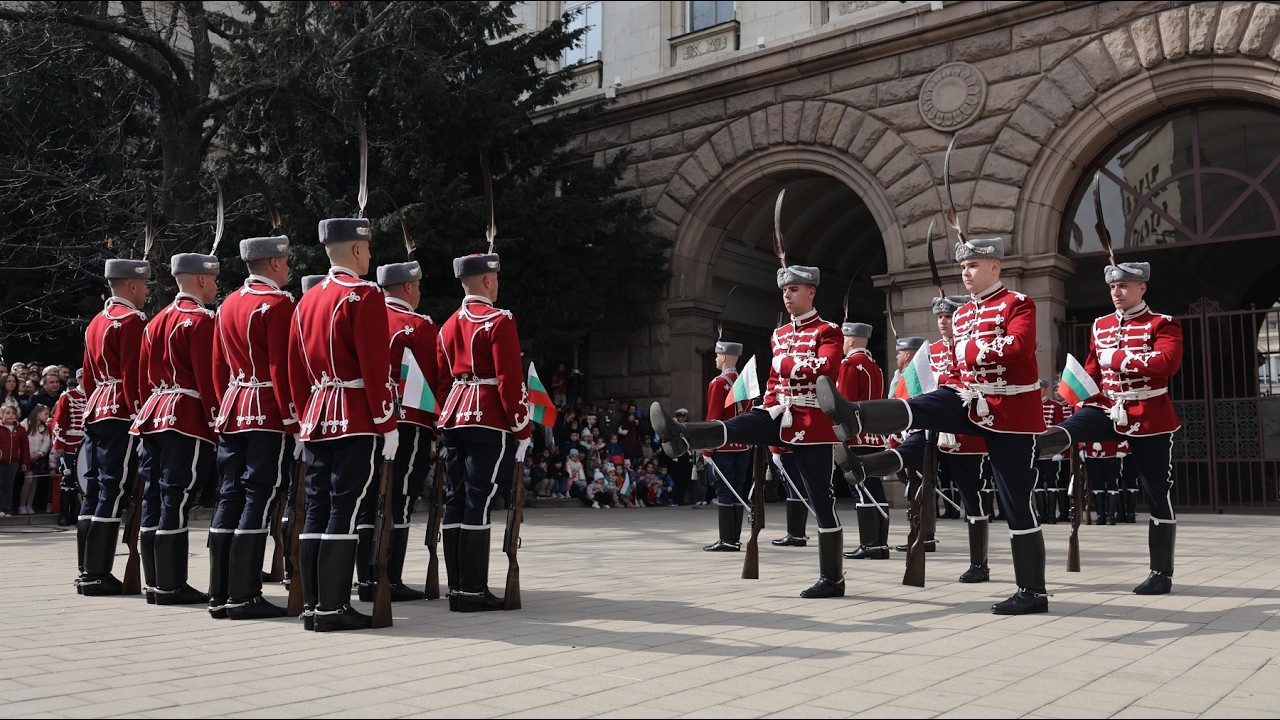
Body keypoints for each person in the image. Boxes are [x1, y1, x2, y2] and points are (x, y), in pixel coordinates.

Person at [819, 238, 1050, 614]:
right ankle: (855, 415)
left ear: (995, 267)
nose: (966, 273)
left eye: (973, 265)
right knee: (927, 405)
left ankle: (1033, 591)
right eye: (963, 267)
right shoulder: (963, 316)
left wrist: (967, 351)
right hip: (971, 399)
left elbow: (1019, 347)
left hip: (1011, 411)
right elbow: (959, 370)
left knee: (1016, 502)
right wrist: (956, 386)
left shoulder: (1017, 303)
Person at [653, 263, 847, 598]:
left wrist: (787, 365)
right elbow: (774, 383)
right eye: (785, 290)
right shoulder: (780, 334)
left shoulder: (827, 331)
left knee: (821, 498)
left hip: (812, 423)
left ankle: (833, 577)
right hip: (778, 411)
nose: (788, 295)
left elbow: (827, 368)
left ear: (811, 292)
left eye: (795, 289)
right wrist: (768, 402)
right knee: (739, 425)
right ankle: (685, 435)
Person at [1034, 260, 1183, 595]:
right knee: (1071, 426)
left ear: (1142, 287)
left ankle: (1161, 573)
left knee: (1157, 491)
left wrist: (1120, 360)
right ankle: (1033, 450)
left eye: (1125, 286)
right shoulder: (1100, 325)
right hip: (1106, 406)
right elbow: (1091, 372)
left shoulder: (1163, 323)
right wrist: (1079, 394)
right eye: (1113, 287)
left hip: (1148, 412)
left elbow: (1167, 363)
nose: (1117, 292)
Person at [287, 218, 399, 632]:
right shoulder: (364, 295)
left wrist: (303, 419)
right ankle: (333, 608)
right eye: (367, 248)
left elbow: (295, 369)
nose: (370, 256)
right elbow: (374, 365)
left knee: (317, 509)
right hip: (354, 414)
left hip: (316, 417)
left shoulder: (306, 301)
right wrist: (386, 422)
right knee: (345, 508)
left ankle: (315, 605)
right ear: (356, 250)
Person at [436, 250, 532, 612]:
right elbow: (509, 381)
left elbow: (443, 381)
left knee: (455, 500)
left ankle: (458, 587)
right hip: (488, 418)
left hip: (453, 417)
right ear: (489, 280)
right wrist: (521, 427)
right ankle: (473, 591)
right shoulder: (499, 320)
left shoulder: (447, 326)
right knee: (479, 500)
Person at [207, 235, 296, 620]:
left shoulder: (227, 304)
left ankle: (220, 593)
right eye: (287, 261)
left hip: (232, 408)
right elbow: (282, 367)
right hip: (266, 411)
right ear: (275, 264)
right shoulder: (277, 304)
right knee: (258, 496)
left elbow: (217, 367)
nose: (289, 268)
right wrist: (294, 417)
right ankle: (244, 594)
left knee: (230, 496)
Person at [131, 253, 222, 606]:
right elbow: (209, 377)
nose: (214, 286)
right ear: (200, 280)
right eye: (212, 280)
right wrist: (216, 421)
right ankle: (171, 585)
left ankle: (156, 582)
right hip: (184, 415)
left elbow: (142, 380)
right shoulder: (200, 320)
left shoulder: (155, 321)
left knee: (155, 494)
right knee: (176, 497)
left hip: (153, 414)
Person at [354, 260, 440, 603]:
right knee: (400, 499)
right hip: (409, 420)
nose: (419, 292)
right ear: (407, 287)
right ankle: (389, 579)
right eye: (416, 286)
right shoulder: (417, 325)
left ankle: (365, 579)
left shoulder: (368, 315)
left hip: (370, 419)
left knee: (368, 500)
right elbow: (432, 379)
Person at [78, 257, 151, 596]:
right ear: (132, 285)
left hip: (96, 410)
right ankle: (97, 573)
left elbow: (89, 376)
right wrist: (141, 413)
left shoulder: (96, 322)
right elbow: (136, 374)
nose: (147, 291)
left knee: (94, 489)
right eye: (145, 285)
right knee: (112, 487)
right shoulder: (133, 321)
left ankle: (86, 570)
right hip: (121, 410)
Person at [927, 295, 993, 583]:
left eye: (949, 316)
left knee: (971, 495)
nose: (943, 321)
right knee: (918, 477)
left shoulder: (973, 344)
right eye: (940, 317)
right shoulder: (931, 350)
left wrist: (942, 383)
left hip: (965, 428)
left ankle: (979, 562)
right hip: (934, 426)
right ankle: (923, 537)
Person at [835, 322, 890, 561]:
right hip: (874, 435)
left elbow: (844, 403)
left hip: (855, 436)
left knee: (860, 489)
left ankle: (869, 544)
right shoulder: (875, 367)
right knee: (874, 487)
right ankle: (879, 544)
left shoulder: (849, 365)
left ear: (850, 340)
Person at [702, 340, 751, 552]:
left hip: (724, 445)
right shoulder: (744, 382)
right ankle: (735, 538)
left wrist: (706, 448)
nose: (715, 359)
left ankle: (726, 540)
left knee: (724, 490)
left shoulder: (719, 383)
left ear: (723, 357)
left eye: (716, 355)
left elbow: (714, 418)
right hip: (743, 446)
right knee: (737, 490)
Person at [50, 371, 87, 527]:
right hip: (70, 444)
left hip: (87, 445)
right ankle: (64, 515)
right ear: (78, 379)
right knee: (68, 480)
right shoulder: (67, 396)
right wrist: (59, 445)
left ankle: (78, 514)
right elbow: (59, 422)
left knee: (83, 480)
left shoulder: (94, 395)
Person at [1035, 380, 1065, 524]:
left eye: (1040, 388)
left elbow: (1059, 429)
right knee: (1038, 482)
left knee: (1052, 480)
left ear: (1045, 389)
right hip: (1036, 449)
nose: (1038, 390)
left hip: (1051, 450)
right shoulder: (1032, 406)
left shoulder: (1055, 406)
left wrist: (1058, 450)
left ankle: (1052, 515)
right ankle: (1042, 514)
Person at [20, 404, 52, 515]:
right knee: (28, 479)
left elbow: (47, 442)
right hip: (26, 457)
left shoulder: (44, 428)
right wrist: (27, 455)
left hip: (38, 458)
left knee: (34, 481)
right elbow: (22, 440)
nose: (47, 416)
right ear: (38, 413)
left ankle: (29, 505)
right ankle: (21, 505)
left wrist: (40, 453)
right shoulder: (25, 424)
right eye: (45, 414)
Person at [0, 405, 29, 518]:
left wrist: (24, 462)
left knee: (9, 486)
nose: (11, 415)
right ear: (1, 415)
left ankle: (7, 509)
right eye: (7, 413)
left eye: (13, 413)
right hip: (1, 461)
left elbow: (25, 447)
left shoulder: (20, 429)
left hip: (14, 462)